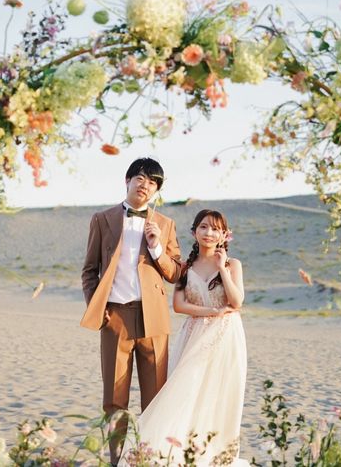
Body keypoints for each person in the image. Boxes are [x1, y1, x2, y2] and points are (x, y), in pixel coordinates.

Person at [121, 209, 248, 466]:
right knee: (184, 389)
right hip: (194, 334)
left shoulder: (233, 265)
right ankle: (169, 452)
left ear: (225, 235)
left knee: (219, 394)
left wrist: (222, 268)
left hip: (227, 336)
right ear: (194, 232)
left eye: (216, 229)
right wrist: (211, 312)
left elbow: (237, 301)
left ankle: (212, 456)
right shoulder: (187, 267)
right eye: (204, 227)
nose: (209, 233)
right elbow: (178, 305)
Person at [80, 158, 182, 465]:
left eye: (153, 182)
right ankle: (117, 460)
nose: (145, 185)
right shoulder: (102, 219)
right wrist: (97, 307)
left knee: (155, 397)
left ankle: (150, 459)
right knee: (114, 399)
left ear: (156, 190)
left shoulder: (165, 224)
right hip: (115, 318)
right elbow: (89, 271)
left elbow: (176, 273)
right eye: (140, 178)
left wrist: (157, 247)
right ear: (127, 181)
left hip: (154, 320)